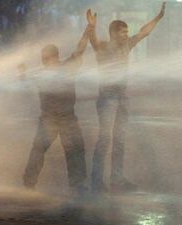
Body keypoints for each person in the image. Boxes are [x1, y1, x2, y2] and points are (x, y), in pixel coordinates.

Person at [87, 3, 166, 193]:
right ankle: (97, 182)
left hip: (122, 98)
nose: (126, 35)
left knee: (120, 140)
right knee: (105, 139)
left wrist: (158, 17)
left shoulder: (127, 45)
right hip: (107, 99)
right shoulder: (103, 47)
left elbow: (143, 33)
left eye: (126, 32)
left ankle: (117, 179)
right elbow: (94, 41)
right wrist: (91, 27)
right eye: (123, 32)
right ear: (114, 33)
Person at [22, 11, 93, 195]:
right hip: (53, 118)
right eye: (44, 58)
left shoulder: (61, 68)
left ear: (54, 56)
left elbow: (80, 49)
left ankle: (31, 183)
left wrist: (89, 29)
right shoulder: (53, 70)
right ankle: (30, 183)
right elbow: (79, 50)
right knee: (48, 150)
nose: (45, 61)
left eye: (47, 58)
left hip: (61, 117)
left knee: (71, 150)